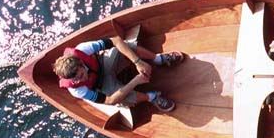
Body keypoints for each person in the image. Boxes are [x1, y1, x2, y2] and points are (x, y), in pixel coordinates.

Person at [53, 33, 184, 112]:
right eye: (75, 80)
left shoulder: (82, 49)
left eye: (80, 75)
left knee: (128, 47)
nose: (79, 81)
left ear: (81, 64)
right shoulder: (77, 90)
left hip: (104, 64)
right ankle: (152, 97)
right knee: (125, 98)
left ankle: (158, 59)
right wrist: (136, 81)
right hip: (102, 84)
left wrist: (138, 62)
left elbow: (115, 40)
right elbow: (110, 101)